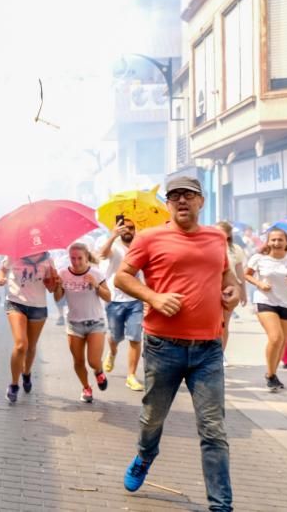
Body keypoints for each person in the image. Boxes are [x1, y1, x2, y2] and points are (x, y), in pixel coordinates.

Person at [115, 176, 241, 511]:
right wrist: (153, 297)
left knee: (214, 431)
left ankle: (221, 506)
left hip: (208, 349)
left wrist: (234, 289)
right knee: (152, 418)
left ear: (201, 201)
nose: (181, 200)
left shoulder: (216, 237)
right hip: (162, 347)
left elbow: (227, 276)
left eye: (188, 195)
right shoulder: (150, 237)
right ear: (167, 205)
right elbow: (122, 277)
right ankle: (145, 456)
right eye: (174, 196)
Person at [0, 252, 59, 403]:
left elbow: (51, 289)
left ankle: (26, 372)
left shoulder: (48, 261)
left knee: (31, 347)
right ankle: (13, 384)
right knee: (20, 345)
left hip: (38, 307)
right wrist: (1, 278)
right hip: (15, 302)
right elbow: (2, 269)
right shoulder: (14, 255)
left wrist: (55, 280)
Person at [56, 242, 111, 403]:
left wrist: (95, 285)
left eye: (80, 258)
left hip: (95, 322)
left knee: (93, 361)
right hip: (74, 324)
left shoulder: (96, 273)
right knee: (78, 361)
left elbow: (108, 297)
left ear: (86, 257)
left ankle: (99, 371)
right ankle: (86, 387)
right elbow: (58, 298)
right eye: (72, 258)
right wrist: (58, 286)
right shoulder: (63, 274)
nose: (76, 262)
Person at [100, 217, 145, 391]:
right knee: (116, 336)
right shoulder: (115, 247)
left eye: (131, 227)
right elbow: (102, 254)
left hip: (135, 299)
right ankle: (112, 352)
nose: (127, 230)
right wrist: (113, 236)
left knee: (135, 337)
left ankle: (131, 376)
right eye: (124, 227)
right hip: (115, 299)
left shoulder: (141, 247)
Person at [244, 227, 287, 392]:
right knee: (276, 337)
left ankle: (272, 373)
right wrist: (259, 284)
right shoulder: (259, 258)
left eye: (280, 240)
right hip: (265, 301)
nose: (277, 243)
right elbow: (247, 274)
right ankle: (271, 375)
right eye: (273, 240)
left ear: (286, 242)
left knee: (282, 342)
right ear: (268, 242)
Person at [216, 221, 248, 358]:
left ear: (228, 234)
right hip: (210, 289)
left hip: (228, 291)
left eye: (222, 231)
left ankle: (220, 354)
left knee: (224, 324)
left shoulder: (235, 250)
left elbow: (240, 274)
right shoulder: (206, 246)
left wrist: (243, 293)